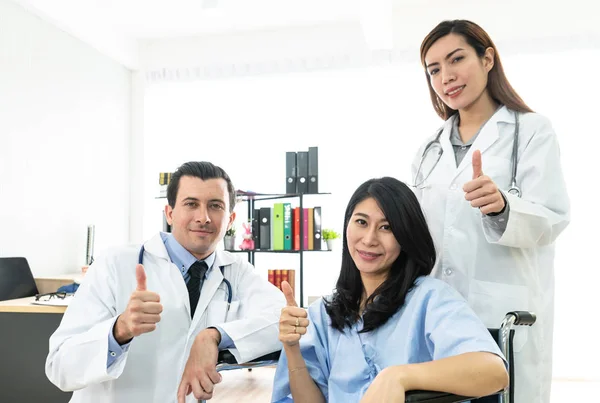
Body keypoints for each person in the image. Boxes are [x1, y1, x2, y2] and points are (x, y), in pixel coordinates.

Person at [413, 20, 570, 403]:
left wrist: (502, 206)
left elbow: (552, 216)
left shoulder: (531, 131)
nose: (446, 77)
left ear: (487, 59)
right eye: (434, 69)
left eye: (456, 59)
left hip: (501, 312)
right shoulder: (428, 149)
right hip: (439, 314)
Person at [45, 161, 286, 403]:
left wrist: (213, 336)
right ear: (169, 213)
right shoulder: (116, 263)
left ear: (230, 219)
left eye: (215, 206)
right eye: (191, 204)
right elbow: (59, 367)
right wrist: (120, 330)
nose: (203, 218)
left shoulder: (236, 271)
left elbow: (284, 319)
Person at [271, 177, 509, 403]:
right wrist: (292, 348)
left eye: (386, 227)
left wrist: (399, 376)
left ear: (406, 236)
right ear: (347, 226)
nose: (369, 239)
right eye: (361, 222)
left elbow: (494, 373)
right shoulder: (321, 314)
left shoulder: (429, 298)